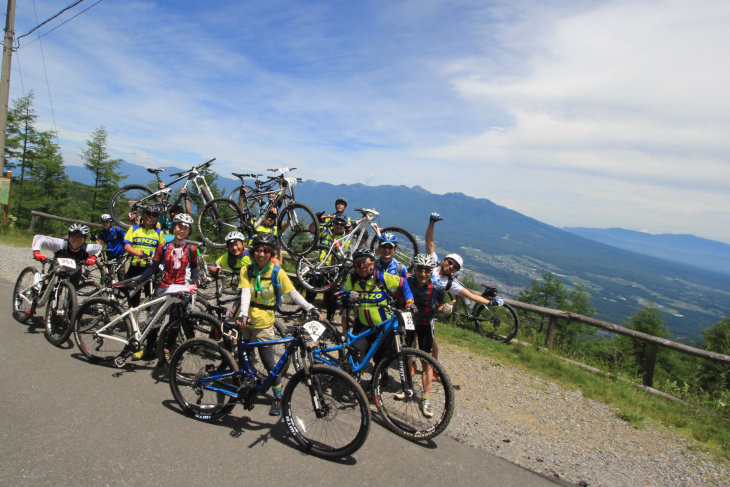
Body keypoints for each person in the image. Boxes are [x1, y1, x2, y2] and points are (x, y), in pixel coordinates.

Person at [236, 233, 320, 416]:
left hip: (264, 322)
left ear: (270, 253)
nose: (261, 254)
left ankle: (278, 396)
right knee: (244, 357)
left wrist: (310, 307)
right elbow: (245, 293)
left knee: (269, 364)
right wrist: (242, 313)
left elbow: (293, 293)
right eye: (258, 250)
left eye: (265, 251)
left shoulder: (276, 272)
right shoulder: (247, 270)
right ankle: (247, 384)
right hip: (245, 321)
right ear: (253, 252)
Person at [425, 212, 504, 361]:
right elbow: (429, 241)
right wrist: (432, 223)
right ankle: (412, 363)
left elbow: (472, 296)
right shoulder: (433, 262)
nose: (451, 267)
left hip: (429, 310)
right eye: (450, 262)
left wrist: (490, 303)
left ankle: (433, 366)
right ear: (444, 260)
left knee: (429, 340)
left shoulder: (451, 283)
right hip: (416, 303)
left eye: (455, 267)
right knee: (411, 335)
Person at [340, 246, 415, 393]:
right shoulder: (352, 277)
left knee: (381, 359)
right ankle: (354, 381)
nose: (362, 267)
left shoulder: (382, 277)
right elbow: (343, 292)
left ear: (373, 264)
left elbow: (403, 283)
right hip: (363, 326)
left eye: (365, 264)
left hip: (383, 326)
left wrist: (410, 302)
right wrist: (348, 295)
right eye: (358, 264)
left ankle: (375, 384)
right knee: (357, 355)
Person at [131, 213, 199, 361]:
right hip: (163, 287)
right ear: (174, 227)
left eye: (185, 228)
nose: (181, 230)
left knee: (175, 322)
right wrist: (138, 281)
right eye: (179, 227)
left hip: (181, 288)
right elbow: (154, 267)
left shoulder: (191, 249)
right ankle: (149, 349)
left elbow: (194, 267)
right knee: (154, 320)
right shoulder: (163, 247)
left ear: (189, 231)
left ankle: (168, 348)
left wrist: (195, 280)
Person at [401, 253, 446, 418]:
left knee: (426, 361)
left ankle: (426, 397)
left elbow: (439, 306)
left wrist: (446, 309)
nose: (423, 273)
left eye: (427, 270)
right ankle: (407, 387)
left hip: (426, 324)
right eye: (420, 269)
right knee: (406, 355)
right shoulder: (407, 282)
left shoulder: (437, 288)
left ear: (432, 270)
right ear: (415, 268)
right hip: (409, 322)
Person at [29, 224, 103, 316]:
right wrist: (36, 252)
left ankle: (70, 314)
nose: (76, 239)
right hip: (57, 267)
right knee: (48, 289)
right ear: (69, 236)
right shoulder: (60, 243)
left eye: (80, 237)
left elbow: (99, 248)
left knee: (73, 292)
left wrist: (93, 258)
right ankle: (33, 305)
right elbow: (39, 238)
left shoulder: (87, 248)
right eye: (73, 236)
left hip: (75, 269)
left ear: (84, 238)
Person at [304, 215, 350, 319]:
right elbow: (311, 229)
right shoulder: (325, 232)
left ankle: (329, 319)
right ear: (333, 223)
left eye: (341, 224)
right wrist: (315, 219)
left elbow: (344, 256)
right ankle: (304, 315)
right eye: (336, 223)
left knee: (331, 298)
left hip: (332, 270)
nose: (339, 225)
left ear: (344, 226)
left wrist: (337, 252)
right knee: (310, 294)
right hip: (319, 267)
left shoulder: (346, 239)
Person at [123, 204, 166, 307]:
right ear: (143, 215)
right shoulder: (133, 229)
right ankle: (132, 321)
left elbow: (162, 251)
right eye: (147, 214)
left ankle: (147, 322)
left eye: (153, 215)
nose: (150, 217)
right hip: (134, 267)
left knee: (150, 299)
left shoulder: (159, 233)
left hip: (150, 269)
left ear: (156, 218)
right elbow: (127, 247)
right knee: (132, 299)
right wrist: (141, 255)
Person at [209, 231, 250, 297]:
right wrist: (216, 270)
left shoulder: (251, 255)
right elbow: (212, 268)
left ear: (243, 244)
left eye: (236, 244)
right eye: (231, 245)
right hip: (243, 288)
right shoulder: (228, 256)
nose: (234, 248)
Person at [95, 214, 127, 280]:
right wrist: (94, 240)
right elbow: (101, 246)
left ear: (110, 223)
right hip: (110, 256)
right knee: (110, 275)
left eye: (107, 222)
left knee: (121, 275)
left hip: (120, 255)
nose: (105, 224)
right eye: (103, 222)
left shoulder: (117, 230)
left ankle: (123, 289)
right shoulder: (102, 233)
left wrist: (126, 250)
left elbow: (126, 241)